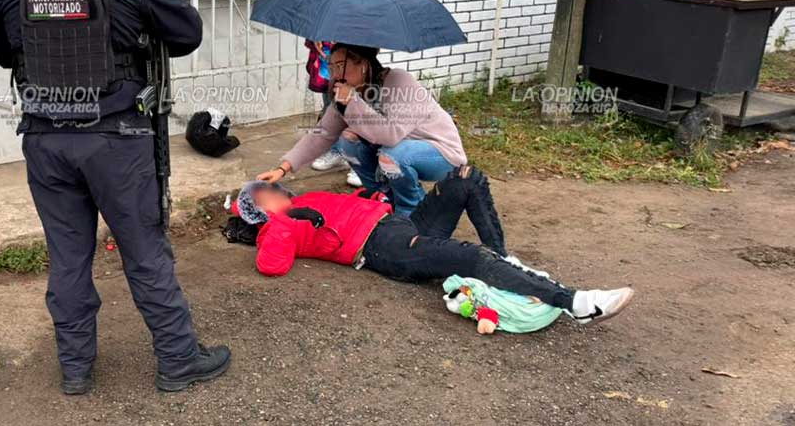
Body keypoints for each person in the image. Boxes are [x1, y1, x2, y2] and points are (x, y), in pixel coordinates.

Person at [0, 0, 230, 395]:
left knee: (68, 255)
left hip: (46, 140)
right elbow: (186, 34)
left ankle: (75, 371)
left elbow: (2, 52)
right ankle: (177, 360)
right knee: (144, 252)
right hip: (116, 139)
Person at [234, 166, 635, 324]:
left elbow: (348, 207)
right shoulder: (276, 228)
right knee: (466, 255)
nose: (272, 189)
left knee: (465, 178)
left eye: (269, 186)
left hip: (398, 223)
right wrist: (284, 220)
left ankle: (503, 260)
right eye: (263, 194)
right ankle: (575, 302)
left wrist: (377, 199)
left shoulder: (306, 198)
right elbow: (272, 265)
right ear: (260, 211)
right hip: (381, 248)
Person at [260, 43, 466, 216]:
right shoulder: (346, 96)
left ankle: (413, 210)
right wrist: (282, 169)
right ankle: (386, 199)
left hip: (441, 154)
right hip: (400, 153)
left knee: (391, 155)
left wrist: (353, 102)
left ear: (363, 64)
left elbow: (391, 135)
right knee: (347, 141)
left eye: (340, 65)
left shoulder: (397, 81)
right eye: (330, 67)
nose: (335, 74)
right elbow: (321, 135)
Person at [305, 0, 394, 187]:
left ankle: (360, 157)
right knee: (332, 96)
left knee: (360, 99)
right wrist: (316, 29)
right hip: (329, 43)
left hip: (359, 41)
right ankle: (334, 149)